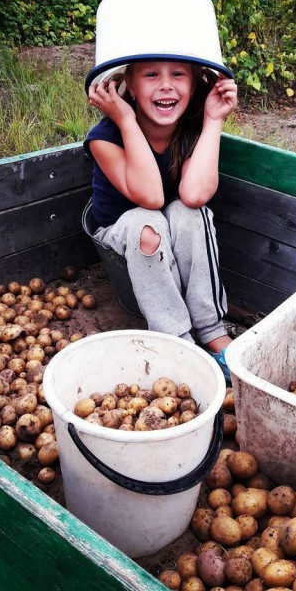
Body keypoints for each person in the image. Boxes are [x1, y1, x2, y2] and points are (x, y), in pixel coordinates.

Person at [84, 60, 237, 381]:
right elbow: (151, 198)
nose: (166, 85)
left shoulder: (192, 128)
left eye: (178, 75)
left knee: (189, 212)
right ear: (132, 86)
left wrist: (213, 120)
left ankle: (210, 328)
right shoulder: (105, 136)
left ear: (194, 85)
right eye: (151, 74)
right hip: (123, 233)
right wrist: (126, 121)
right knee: (147, 223)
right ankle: (176, 337)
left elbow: (195, 194)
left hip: (173, 226)